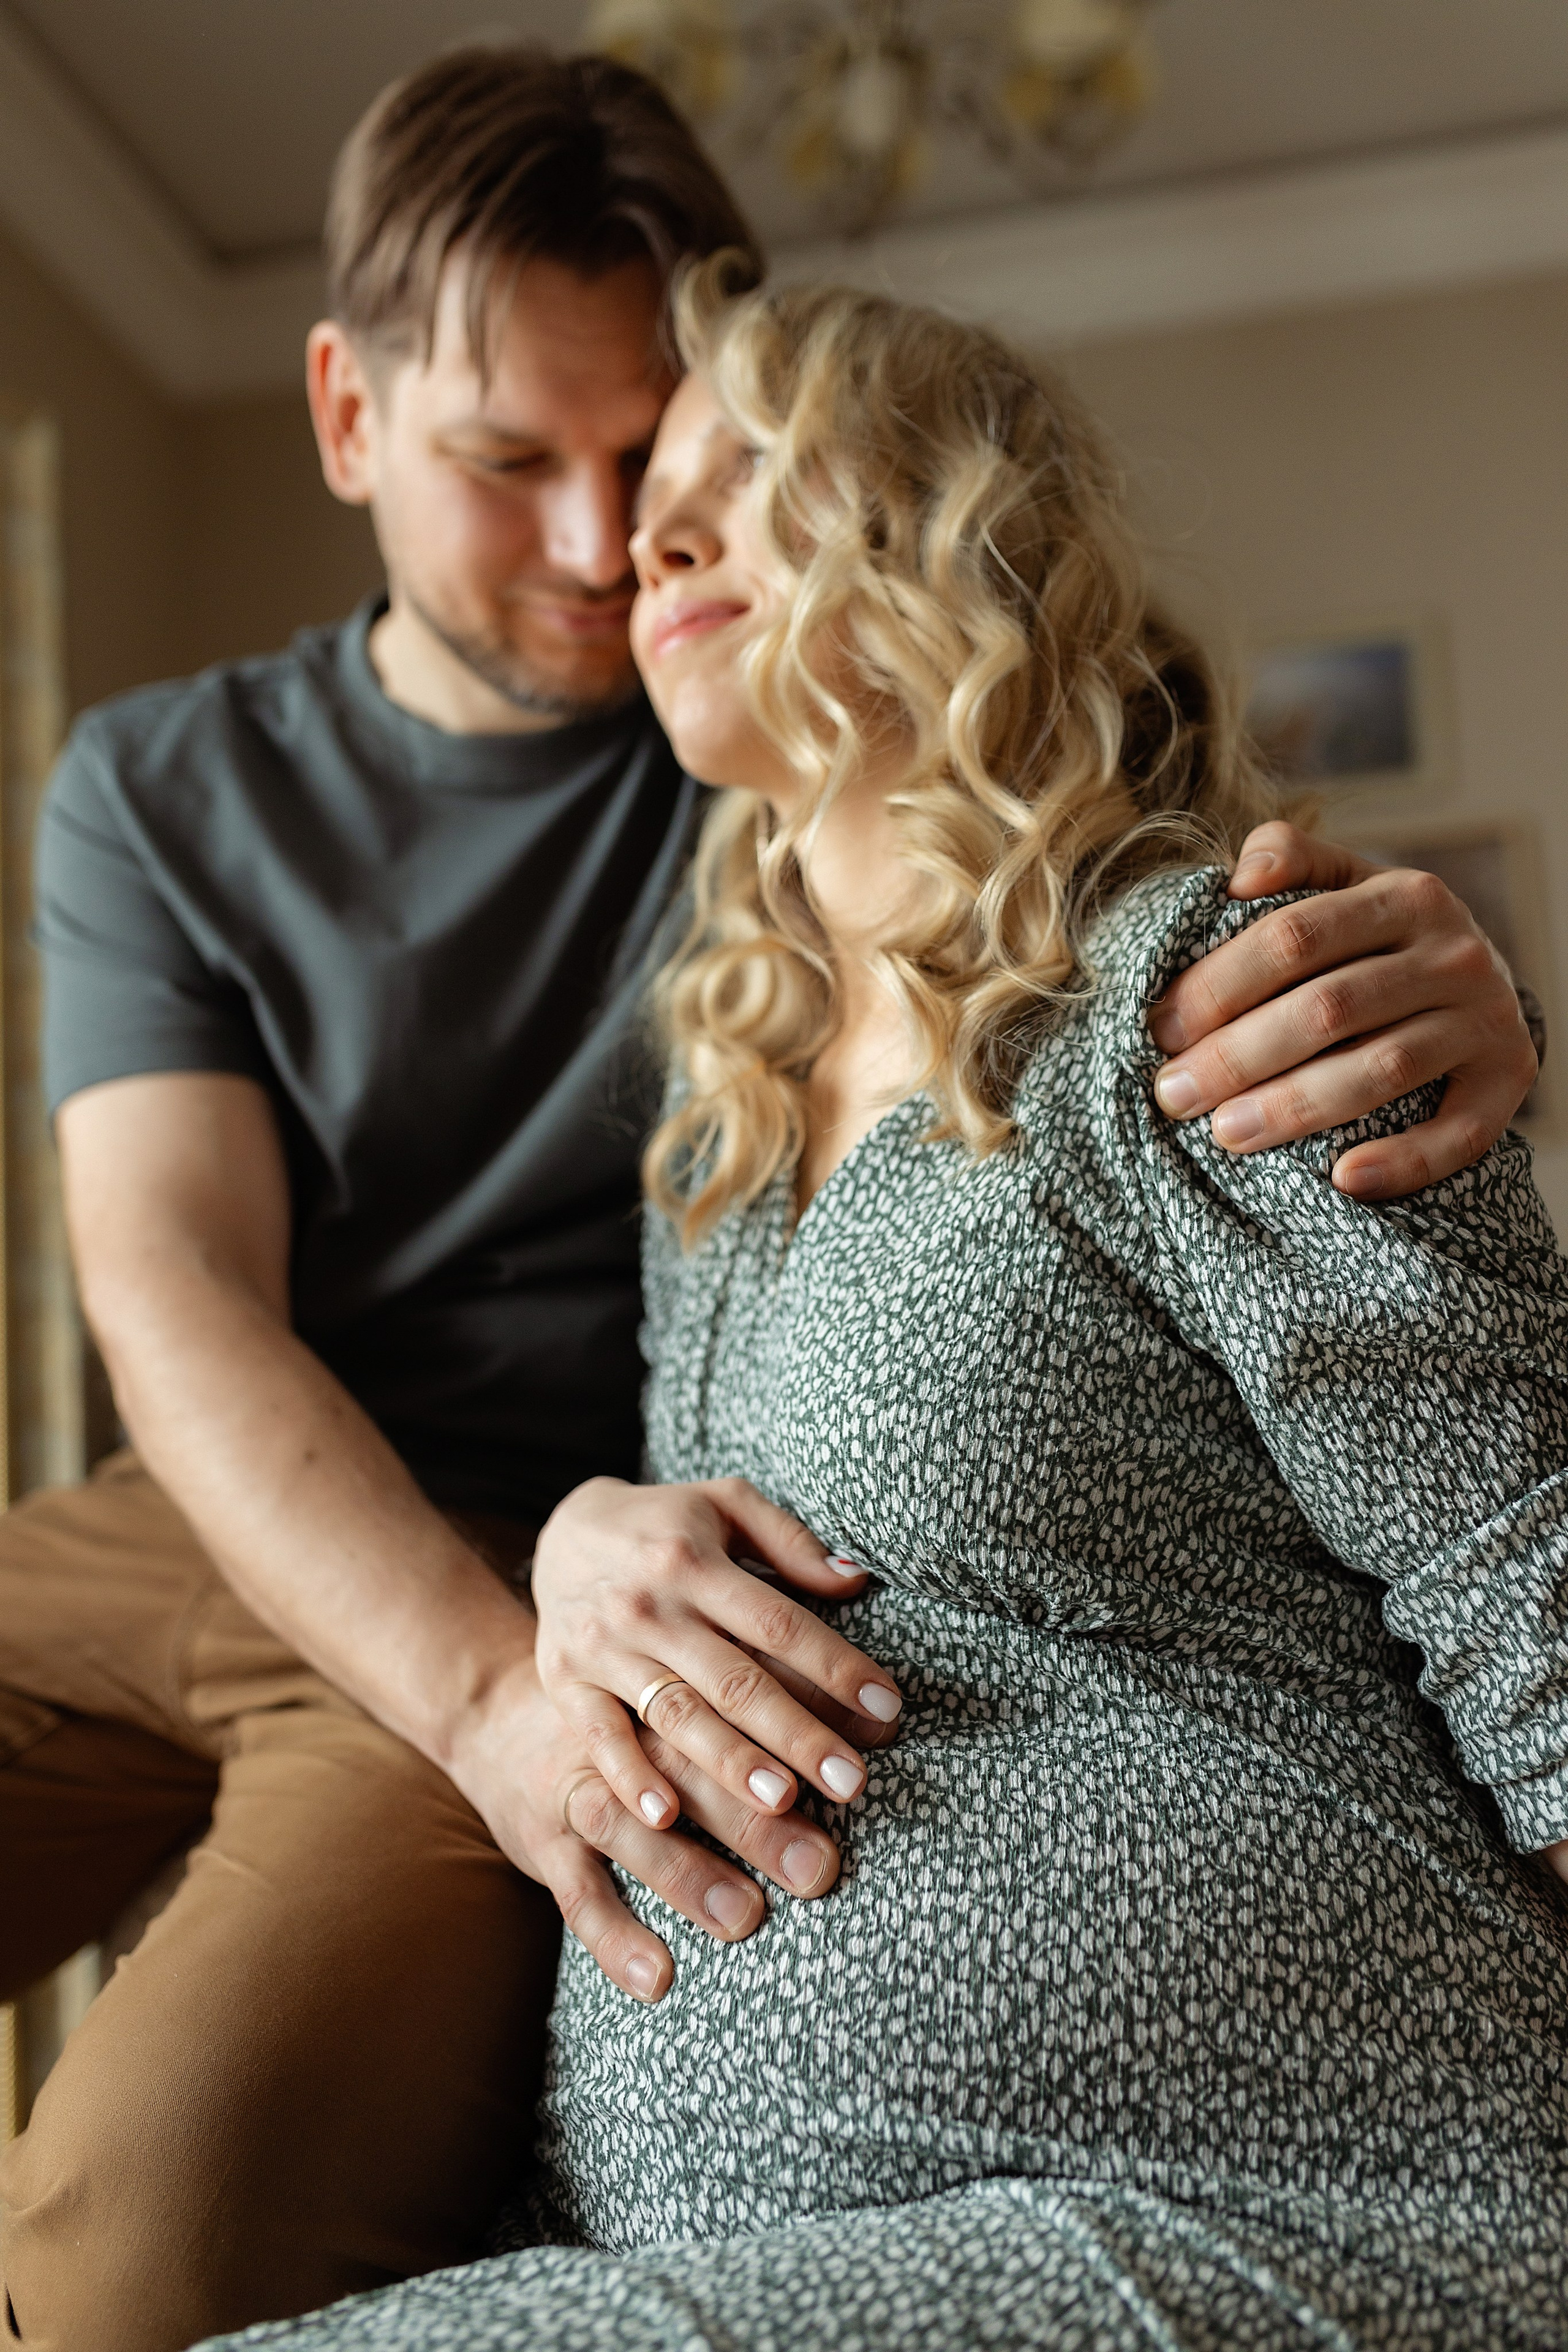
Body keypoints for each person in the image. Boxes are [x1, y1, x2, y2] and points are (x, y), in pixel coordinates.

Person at [0, 46, 1540, 2352]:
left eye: (681, 466)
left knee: (135, 2255)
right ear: (341, 419)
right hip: (272, 1488)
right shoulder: (196, 798)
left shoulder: (874, 792)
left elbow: (1116, 839)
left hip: (584, 1551)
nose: (613, 550)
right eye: (514, 468)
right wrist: (500, 1666)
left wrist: (1459, 988)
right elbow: (171, 1286)